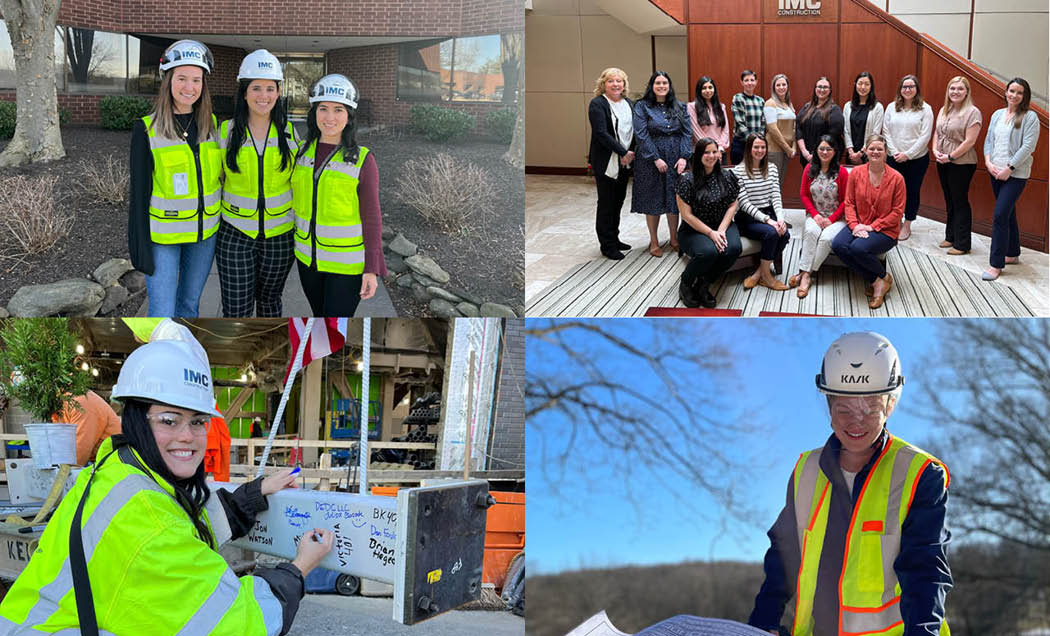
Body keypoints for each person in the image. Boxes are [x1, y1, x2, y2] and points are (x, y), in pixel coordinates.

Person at [0, 327, 335, 635]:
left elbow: (180, 526)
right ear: (136, 419)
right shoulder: (150, 523)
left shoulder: (119, 468)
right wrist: (300, 567)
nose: (187, 437)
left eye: (198, 421)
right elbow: (244, 621)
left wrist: (252, 495)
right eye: (170, 420)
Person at [748, 331, 952, 636]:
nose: (856, 420)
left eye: (870, 407)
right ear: (829, 406)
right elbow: (783, 555)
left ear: (890, 404)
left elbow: (925, 572)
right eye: (844, 408)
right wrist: (762, 624)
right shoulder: (806, 470)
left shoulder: (921, 473)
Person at [128, 40, 222, 318]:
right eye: (182, 78)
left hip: (204, 236)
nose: (189, 87)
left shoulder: (212, 125)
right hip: (163, 240)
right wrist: (139, 248)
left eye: (196, 80)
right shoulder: (146, 129)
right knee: (161, 311)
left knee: (189, 307)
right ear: (168, 80)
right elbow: (139, 195)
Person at [292, 74, 387, 315]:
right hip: (307, 261)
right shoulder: (302, 153)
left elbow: (372, 217)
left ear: (349, 116)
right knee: (318, 319)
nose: (330, 117)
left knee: (334, 325)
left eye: (338, 110)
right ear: (314, 113)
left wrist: (372, 269)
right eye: (323, 109)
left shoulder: (363, 160)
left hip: (346, 267)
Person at [216, 50, 298, 316]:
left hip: (280, 236)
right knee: (236, 310)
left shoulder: (290, 132)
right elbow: (214, 179)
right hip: (235, 234)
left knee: (270, 304)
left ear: (278, 92)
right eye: (256, 88)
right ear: (244, 92)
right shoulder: (225, 132)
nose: (263, 96)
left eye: (270, 88)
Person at [832, 135, 905, 309]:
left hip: (885, 230)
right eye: (872, 148)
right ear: (865, 151)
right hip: (859, 223)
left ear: (886, 152)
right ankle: (880, 278)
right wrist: (854, 225)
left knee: (858, 248)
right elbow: (849, 202)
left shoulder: (897, 178)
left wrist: (872, 227)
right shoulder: (856, 173)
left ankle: (879, 284)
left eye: (880, 149)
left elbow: (897, 212)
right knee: (838, 245)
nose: (875, 152)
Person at [981, 77, 1040, 281]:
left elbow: (1028, 147)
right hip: (994, 171)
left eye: (1019, 92)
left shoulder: (1030, 117)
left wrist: (1009, 167)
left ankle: (996, 264)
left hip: (1015, 174)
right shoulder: (998, 114)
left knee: (999, 215)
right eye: (1011, 91)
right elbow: (989, 139)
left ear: (1025, 96)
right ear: (1006, 92)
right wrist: (988, 162)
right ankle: (1012, 253)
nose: (1014, 95)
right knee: (1008, 213)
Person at [674, 137, 742, 308]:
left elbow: (733, 204)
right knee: (708, 252)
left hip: (722, 224)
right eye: (707, 152)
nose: (712, 156)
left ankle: (704, 282)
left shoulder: (727, 176)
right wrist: (711, 234)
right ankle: (686, 282)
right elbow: (687, 215)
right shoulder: (686, 180)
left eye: (714, 152)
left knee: (733, 249)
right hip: (693, 229)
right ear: (698, 155)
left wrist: (720, 229)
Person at [632, 71, 692, 257]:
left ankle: (674, 239)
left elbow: (686, 133)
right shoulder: (642, 106)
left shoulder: (680, 107)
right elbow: (641, 134)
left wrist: (684, 157)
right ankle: (654, 241)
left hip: (675, 157)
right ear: (652, 86)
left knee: (674, 199)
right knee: (654, 199)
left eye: (665, 83)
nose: (661, 86)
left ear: (669, 85)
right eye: (657, 83)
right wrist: (655, 158)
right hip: (650, 159)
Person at [791, 135, 850, 299]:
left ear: (835, 151)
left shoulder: (842, 172)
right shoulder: (809, 169)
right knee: (810, 232)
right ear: (816, 151)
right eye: (821, 148)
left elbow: (846, 200)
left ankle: (806, 273)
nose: (825, 152)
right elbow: (803, 195)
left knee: (825, 239)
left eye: (828, 149)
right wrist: (816, 216)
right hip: (815, 215)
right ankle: (806, 275)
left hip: (837, 218)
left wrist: (831, 220)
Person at [731, 134, 790, 291]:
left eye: (763, 147)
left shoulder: (771, 168)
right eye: (756, 147)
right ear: (749, 149)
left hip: (768, 213)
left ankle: (759, 274)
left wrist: (780, 219)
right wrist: (768, 221)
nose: (760, 150)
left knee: (785, 234)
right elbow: (744, 204)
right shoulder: (738, 171)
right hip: (748, 218)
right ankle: (768, 278)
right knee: (771, 233)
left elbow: (776, 196)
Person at [588, 67, 635, 260]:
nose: (615, 84)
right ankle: (606, 245)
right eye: (611, 81)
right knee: (606, 203)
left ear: (624, 84)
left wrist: (630, 153)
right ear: (603, 84)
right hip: (607, 161)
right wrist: (622, 151)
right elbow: (601, 133)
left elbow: (634, 130)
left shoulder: (629, 104)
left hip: (625, 162)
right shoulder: (597, 104)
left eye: (619, 81)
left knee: (618, 201)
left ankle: (615, 238)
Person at [931, 76, 982, 256]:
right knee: (949, 200)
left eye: (960, 89)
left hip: (961, 163)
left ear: (967, 91)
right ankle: (950, 236)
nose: (956, 92)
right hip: (942, 160)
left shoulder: (973, 112)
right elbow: (937, 133)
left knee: (960, 201)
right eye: (952, 88)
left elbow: (969, 142)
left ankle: (962, 244)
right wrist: (935, 150)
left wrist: (951, 157)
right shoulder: (945, 109)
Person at [881, 74, 933, 241]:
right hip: (893, 157)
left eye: (911, 86)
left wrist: (908, 154)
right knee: (892, 192)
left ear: (916, 89)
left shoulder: (926, 109)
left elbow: (925, 136)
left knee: (912, 191)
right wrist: (895, 151)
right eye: (905, 87)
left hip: (916, 159)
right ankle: (895, 221)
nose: (908, 89)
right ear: (900, 89)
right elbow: (886, 130)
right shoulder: (891, 107)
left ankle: (908, 224)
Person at [55, 390, 121, 466]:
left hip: (111, 463)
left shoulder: (79, 402)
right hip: (93, 460)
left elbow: (79, 457)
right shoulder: (59, 404)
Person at [795, 76, 844, 168]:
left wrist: (817, 154)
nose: (822, 89)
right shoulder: (807, 107)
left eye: (825, 87)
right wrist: (804, 151)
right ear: (815, 89)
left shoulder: (834, 110)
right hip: (806, 156)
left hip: (825, 156)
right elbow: (798, 128)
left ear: (830, 90)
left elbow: (833, 135)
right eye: (819, 87)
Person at [842, 72, 884, 166]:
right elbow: (845, 131)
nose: (863, 87)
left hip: (869, 154)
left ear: (871, 86)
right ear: (855, 85)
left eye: (867, 84)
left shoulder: (877, 107)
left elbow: (875, 133)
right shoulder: (848, 106)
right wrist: (851, 152)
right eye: (860, 83)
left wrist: (861, 153)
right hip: (851, 154)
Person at [763, 73, 796, 187]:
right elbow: (772, 129)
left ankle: (776, 205)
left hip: (787, 150)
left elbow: (793, 128)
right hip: (774, 150)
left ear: (787, 86)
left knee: (780, 183)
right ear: (774, 88)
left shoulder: (788, 104)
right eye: (778, 85)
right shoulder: (770, 103)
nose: (781, 87)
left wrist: (793, 147)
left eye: (784, 84)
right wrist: (787, 148)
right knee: (772, 184)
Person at [688, 75, 730, 161]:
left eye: (710, 87)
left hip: (719, 152)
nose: (707, 91)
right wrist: (712, 149)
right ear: (699, 90)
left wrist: (720, 148)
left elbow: (725, 130)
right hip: (702, 153)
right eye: (704, 88)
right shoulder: (692, 107)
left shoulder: (721, 107)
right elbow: (696, 131)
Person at [730, 70, 766, 165]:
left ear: (756, 82)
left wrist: (759, 141)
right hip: (741, 144)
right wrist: (752, 141)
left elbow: (763, 123)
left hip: (757, 146)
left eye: (752, 80)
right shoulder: (738, 98)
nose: (749, 83)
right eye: (746, 80)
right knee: (740, 176)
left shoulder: (761, 101)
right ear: (742, 82)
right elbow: (740, 122)